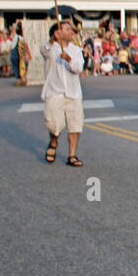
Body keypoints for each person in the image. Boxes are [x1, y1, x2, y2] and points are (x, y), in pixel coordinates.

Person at [41, 21, 86, 167]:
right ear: (57, 32)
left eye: (71, 30)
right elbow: (44, 50)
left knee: (75, 124)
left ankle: (72, 155)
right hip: (55, 91)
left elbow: (79, 68)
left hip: (73, 92)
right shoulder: (50, 49)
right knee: (54, 124)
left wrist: (69, 59)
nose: (71, 32)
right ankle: (53, 142)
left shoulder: (75, 50)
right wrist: (52, 40)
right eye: (67, 29)